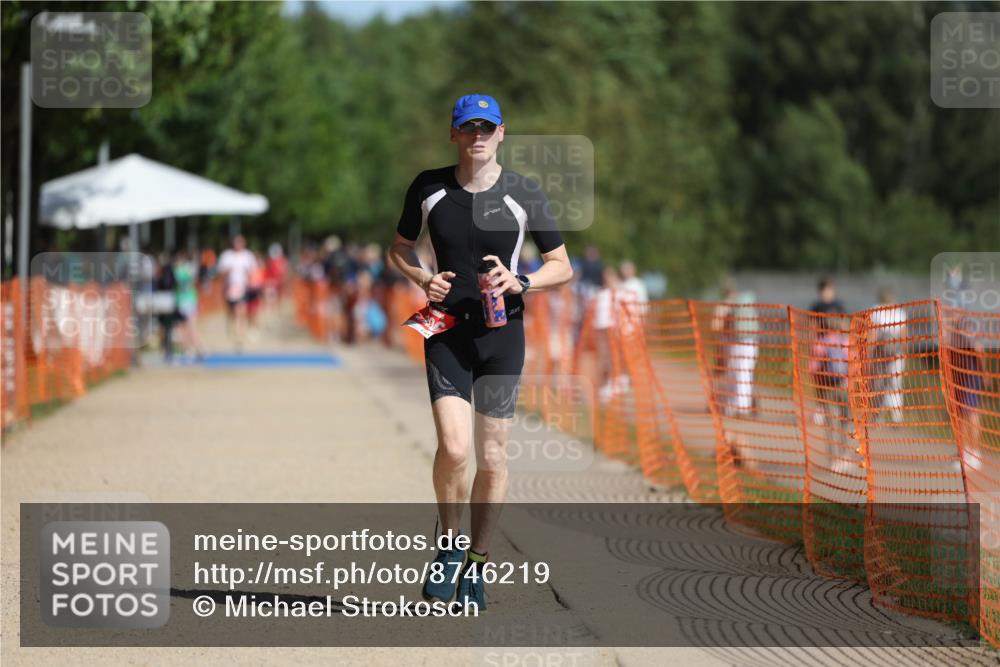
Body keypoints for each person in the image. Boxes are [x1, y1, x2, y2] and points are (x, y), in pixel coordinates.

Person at [388, 93, 573, 612]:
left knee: (492, 457)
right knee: (454, 449)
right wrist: (423, 277)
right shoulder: (428, 187)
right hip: (445, 330)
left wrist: (524, 281)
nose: (478, 136)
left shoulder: (523, 192)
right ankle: (448, 544)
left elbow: (563, 264)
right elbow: (399, 247)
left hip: (501, 335)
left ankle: (477, 561)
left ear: (502, 133)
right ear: (454, 134)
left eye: (487, 128)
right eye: (468, 127)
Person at [869, 287, 907, 424]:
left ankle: (881, 415)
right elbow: (903, 336)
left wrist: (869, 352)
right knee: (893, 384)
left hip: (885, 353)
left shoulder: (877, 311)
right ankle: (894, 416)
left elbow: (873, 334)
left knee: (881, 384)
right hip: (889, 353)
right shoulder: (898, 312)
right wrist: (903, 353)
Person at [217, 235, 258, 350]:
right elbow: (220, 273)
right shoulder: (227, 256)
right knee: (232, 312)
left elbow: (253, 272)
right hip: (230, 289)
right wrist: (227, 272)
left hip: (242, 289)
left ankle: (240, 337)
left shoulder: (248, 256)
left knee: (241, 312)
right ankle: (233, 329)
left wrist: (251, 282)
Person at [173, 250, 206, 361]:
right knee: (188, 328)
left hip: (184, 302)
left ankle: (193, 349)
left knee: (184, 328)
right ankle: (196, 349)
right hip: (190, 301)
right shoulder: (189, 271)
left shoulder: (178, 272)